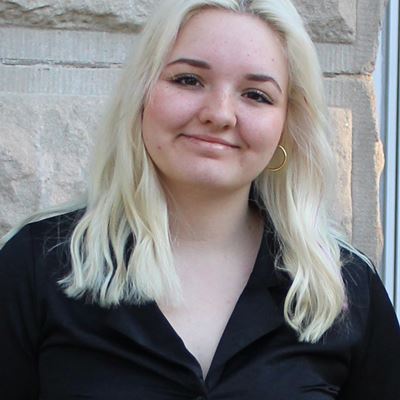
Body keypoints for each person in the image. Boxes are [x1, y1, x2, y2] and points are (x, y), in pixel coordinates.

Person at [1, 0, 399, 398]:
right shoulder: (35, 267)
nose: (220, 114)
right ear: (141, 93)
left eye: (256, 95)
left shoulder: (343, 287)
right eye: (189, 80)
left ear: (287, 124)